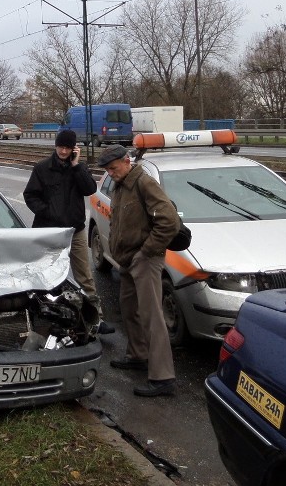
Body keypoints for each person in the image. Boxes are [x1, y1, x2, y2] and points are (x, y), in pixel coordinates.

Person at [98, 143, 180, 397]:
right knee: (130, 310)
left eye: (113, 168)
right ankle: (138, 354)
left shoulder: (144, 183)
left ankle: (163, 377)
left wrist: (146, 252)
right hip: (128, 260)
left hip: (144, 260)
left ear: (126, 161)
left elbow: (169, 221)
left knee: (152, 316)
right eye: (107, 170)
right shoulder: (122, 186)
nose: (110, 173)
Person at [24, 130, 113, 335]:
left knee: (85, 275)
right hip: (49, 231)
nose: (63, 151)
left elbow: (90, 189)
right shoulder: (42, 168)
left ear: (73, 148)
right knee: (47, 274)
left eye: (67, 148)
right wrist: (47, 212)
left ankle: (96, 318)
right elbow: (30, 195)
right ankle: (47, 316)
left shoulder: (78, 168)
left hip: (76, 230)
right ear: (55, 146)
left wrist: (77, 166)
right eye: (60, 147)